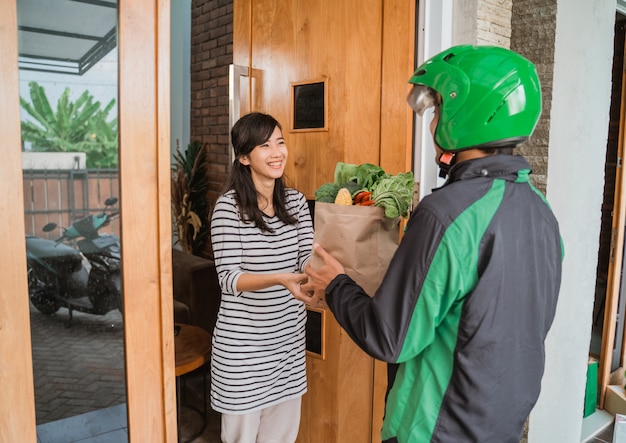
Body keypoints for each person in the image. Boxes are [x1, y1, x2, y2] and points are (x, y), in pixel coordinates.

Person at [301, 45, 563, 442]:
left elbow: (390, 337)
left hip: (435, 428)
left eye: (438, 108)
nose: (432, 122)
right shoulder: (542, 212)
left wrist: (335, 285)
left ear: (466, 114)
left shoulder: (447, 212)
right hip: (501, 425)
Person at [209, 112, 314, 442]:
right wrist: (281, 278)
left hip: (288, 345)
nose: (277, 152)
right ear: (243, 157)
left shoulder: (295, 202)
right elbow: (228, 278)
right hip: (242, 352)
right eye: (265, 145)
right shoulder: (229, 207)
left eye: (280, 142)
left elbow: (306, 258)